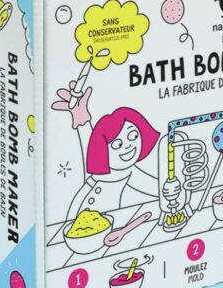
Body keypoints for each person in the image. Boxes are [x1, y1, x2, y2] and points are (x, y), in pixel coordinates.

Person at [52, 81, 160, 219]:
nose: (128, 146)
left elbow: (156, 188)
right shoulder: (96, 166)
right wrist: (81, 119)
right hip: (73, 221)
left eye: (133, 136)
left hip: (107, 224)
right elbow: (89, 145)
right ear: (103, 148)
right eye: (117, 144)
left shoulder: (130, 173)